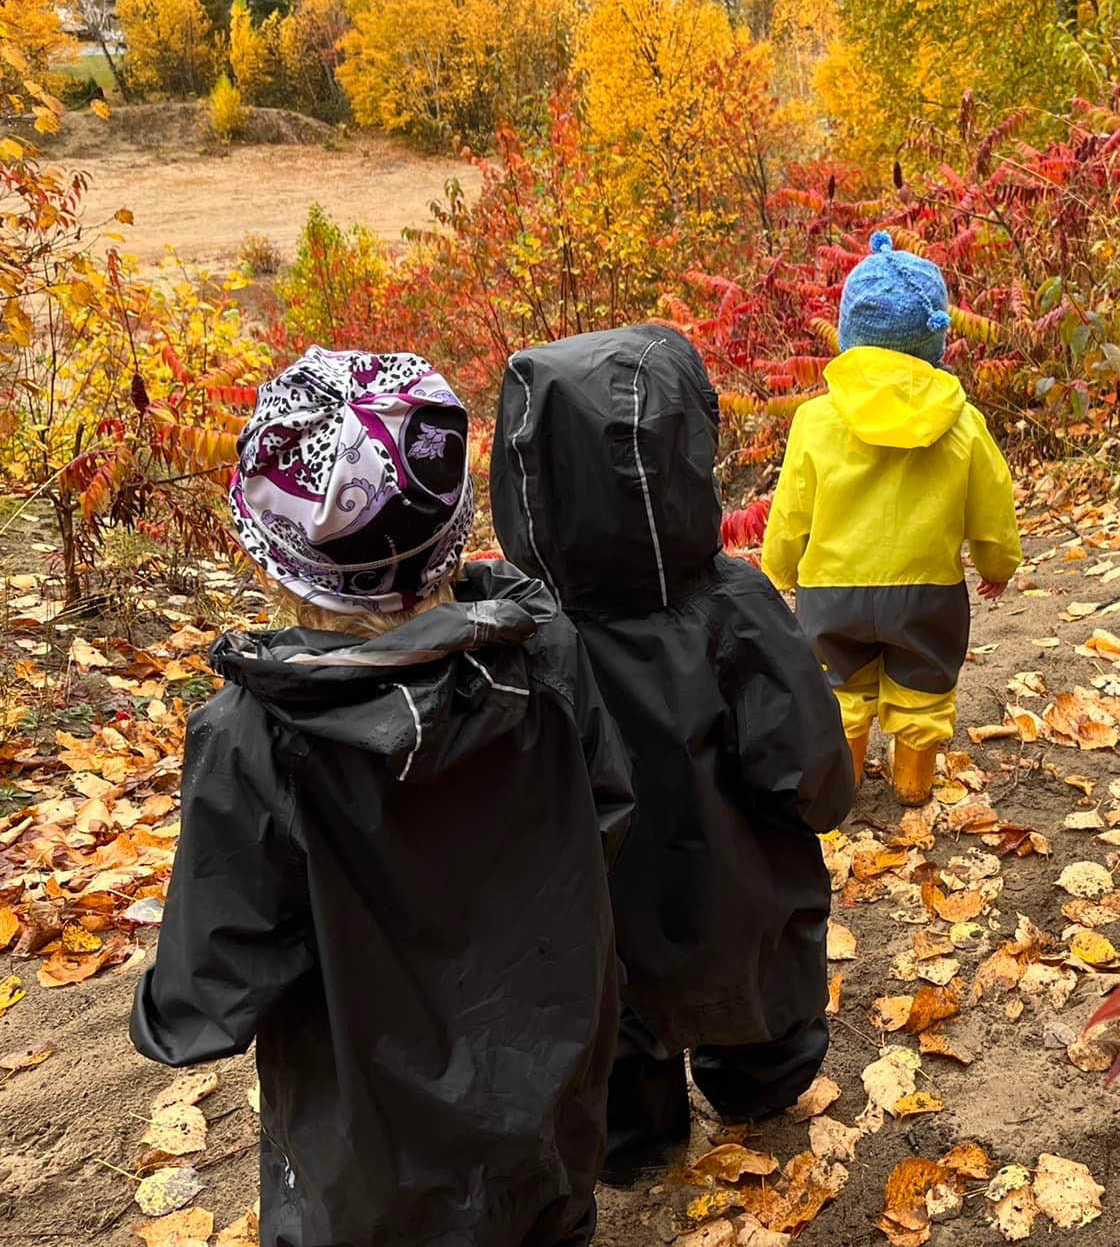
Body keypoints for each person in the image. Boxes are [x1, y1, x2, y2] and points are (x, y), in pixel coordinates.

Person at [131, 348, 633, 1247]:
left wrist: (160, 1010)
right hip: (551, 1085)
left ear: (276, 561)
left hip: (369, 1159)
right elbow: (606, 815)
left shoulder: (254, 739)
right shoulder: (541, 651)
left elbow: (206, 1000)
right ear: (455, 525)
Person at [493, 324, 855, 1184]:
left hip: (602, 909)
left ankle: (635, 1146)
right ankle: (761, 1091)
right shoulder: (734, 605)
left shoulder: (524, 636)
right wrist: (821, 800)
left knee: (616, 1023)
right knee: (761, 985)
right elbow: (807, 762)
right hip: (743, 884)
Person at [763, 232, 1023, 805]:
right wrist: (997, 563)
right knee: (923, 683)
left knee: (839, 686)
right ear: (935, 340)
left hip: (831, 589)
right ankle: (913, 781)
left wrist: (778, 568)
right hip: (928, 591)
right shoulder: (962, 422)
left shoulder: (815, 420)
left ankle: (846, 776)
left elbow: (791, 508)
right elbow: (992, 503)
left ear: (850, 334)